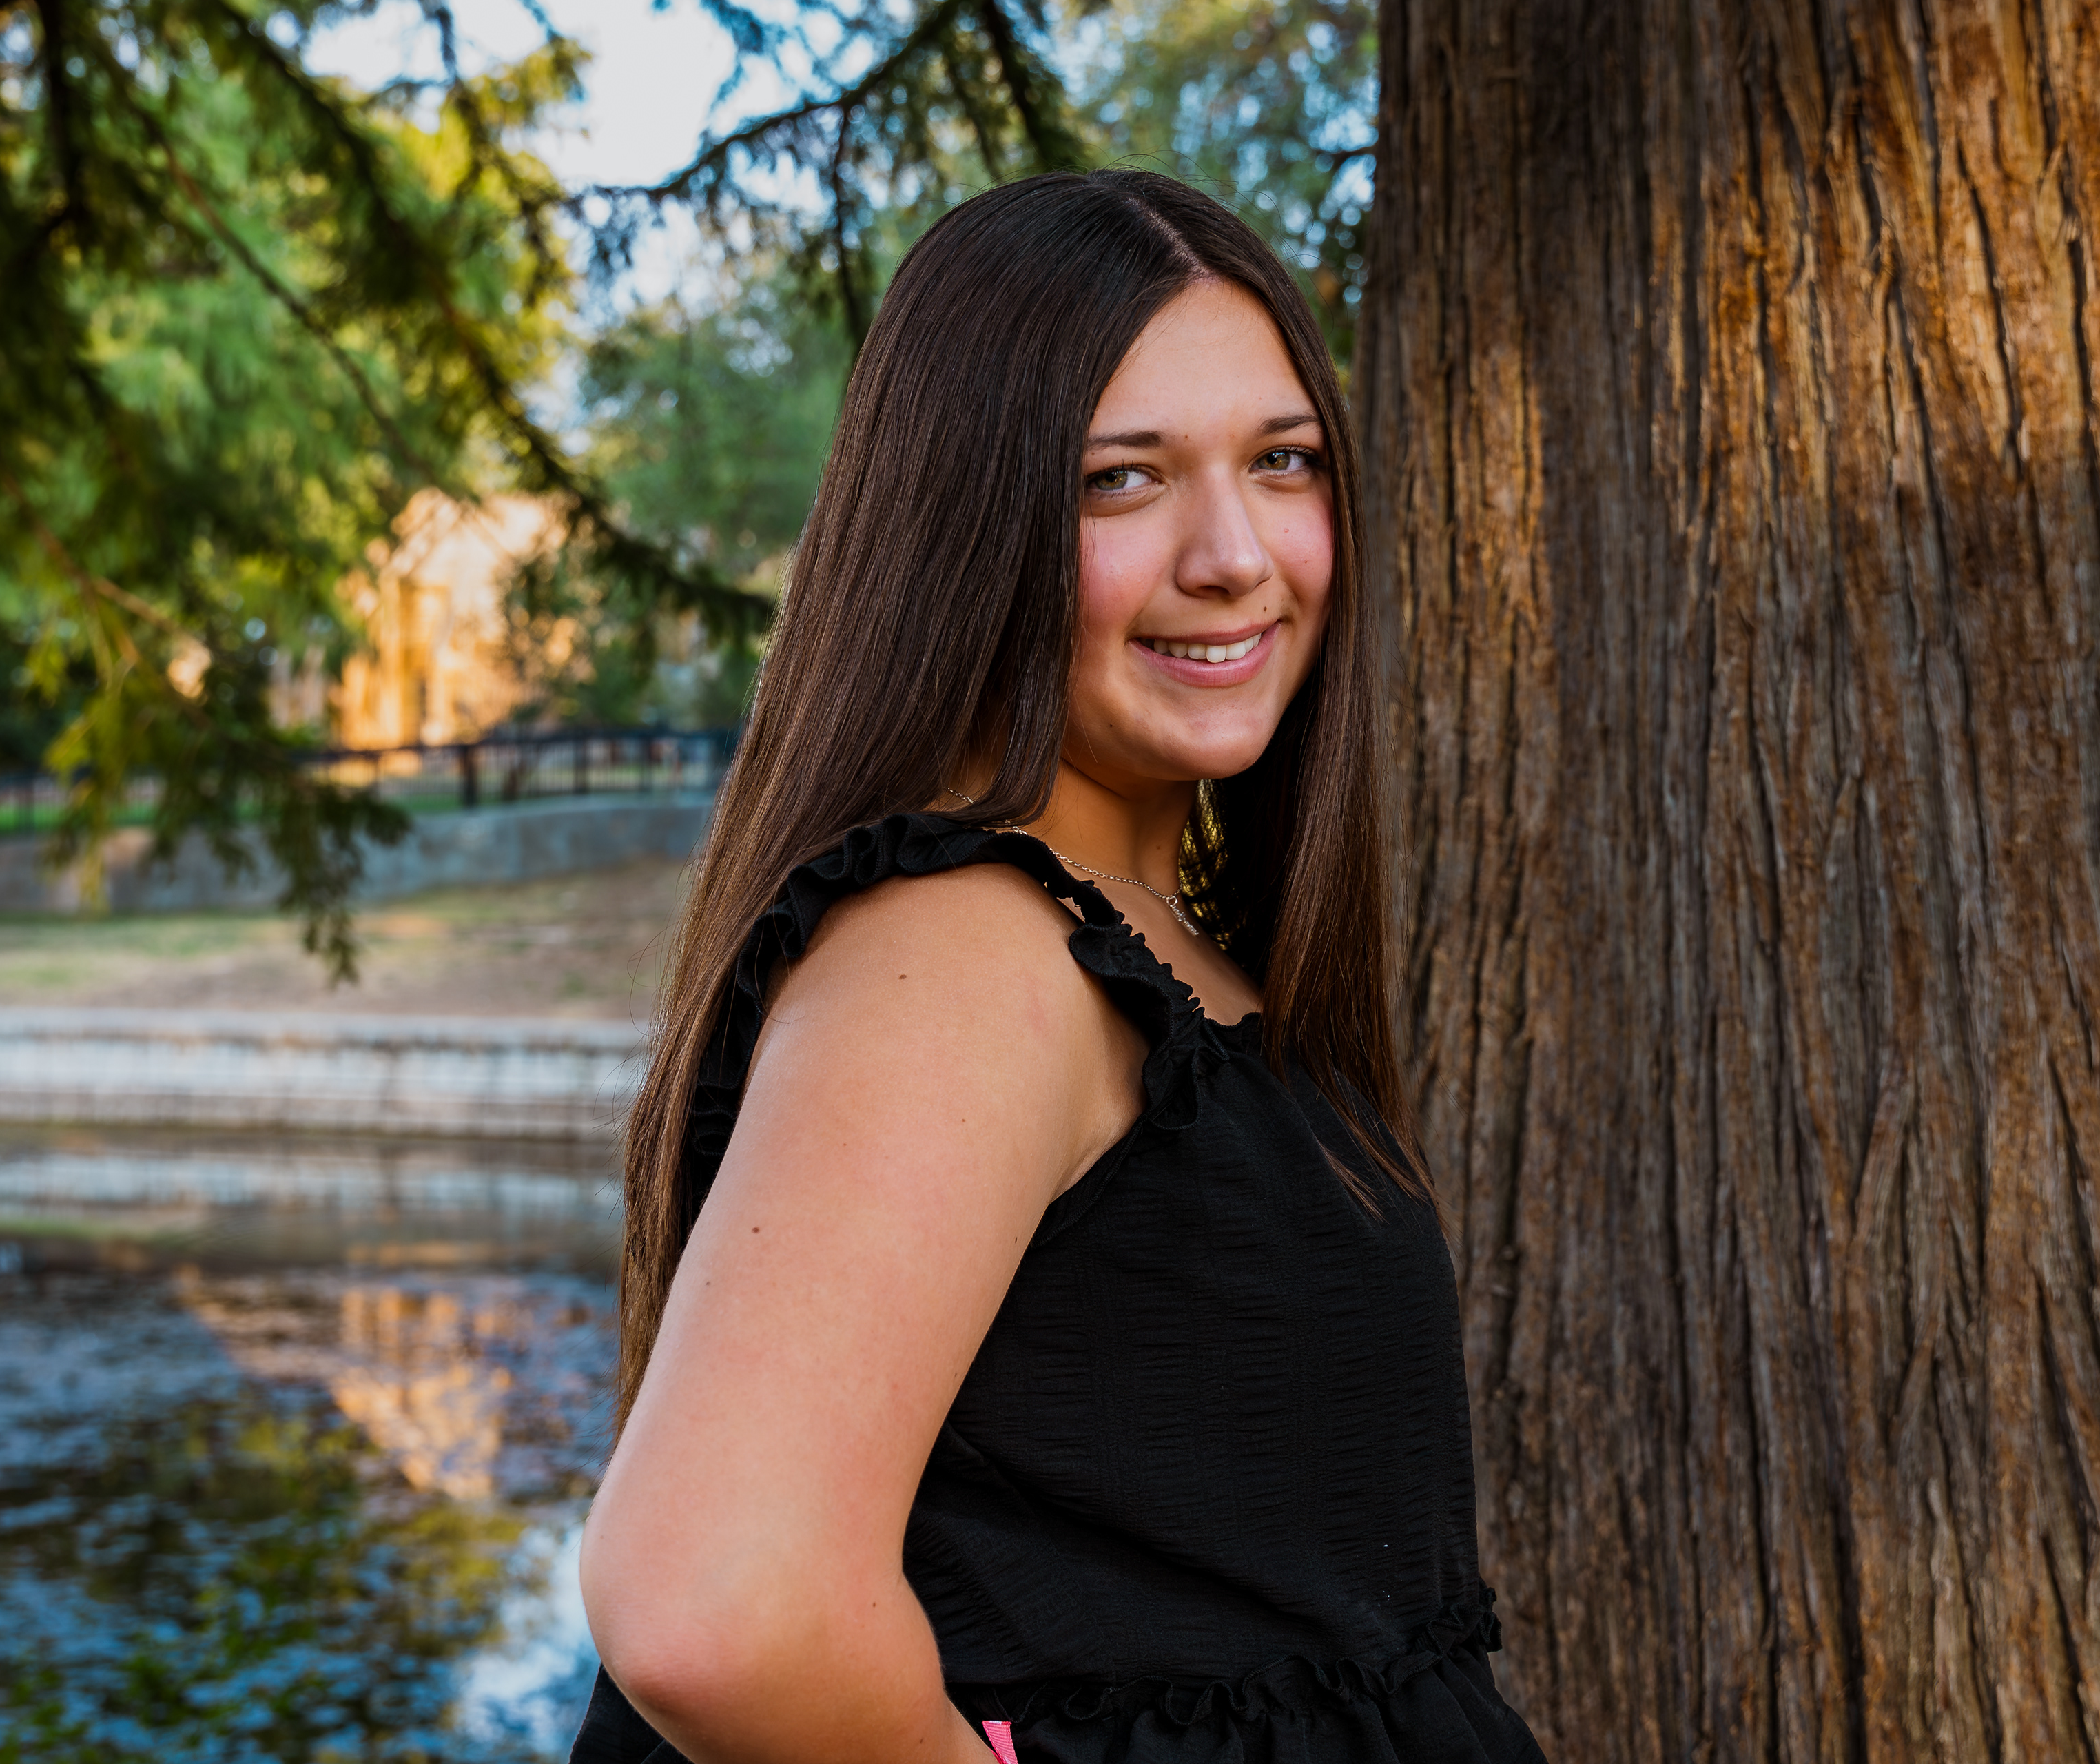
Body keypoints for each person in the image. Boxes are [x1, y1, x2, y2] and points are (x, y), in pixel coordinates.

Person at [570, 168, 1547, 1764]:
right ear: (970, 526)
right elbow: (713, 1602)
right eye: (1122, 479)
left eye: (1284, 459)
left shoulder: (1152, 945)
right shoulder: (969, 949)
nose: (1232, 553)